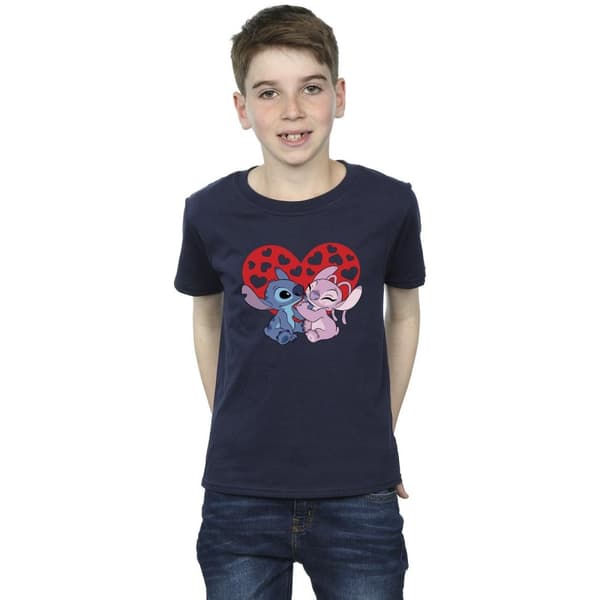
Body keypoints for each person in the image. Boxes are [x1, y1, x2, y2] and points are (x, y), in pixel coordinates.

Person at [173, 5, 425, 599]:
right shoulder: (208, 211)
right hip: (240, 495)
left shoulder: (390, 204)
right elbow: (207, 318)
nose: (292, 110)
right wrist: (229, 420)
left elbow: (404, 312)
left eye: (310, 88)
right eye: (269, 93)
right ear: (242, 109)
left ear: (339, 95)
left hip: (360, 494)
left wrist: (379, 430)